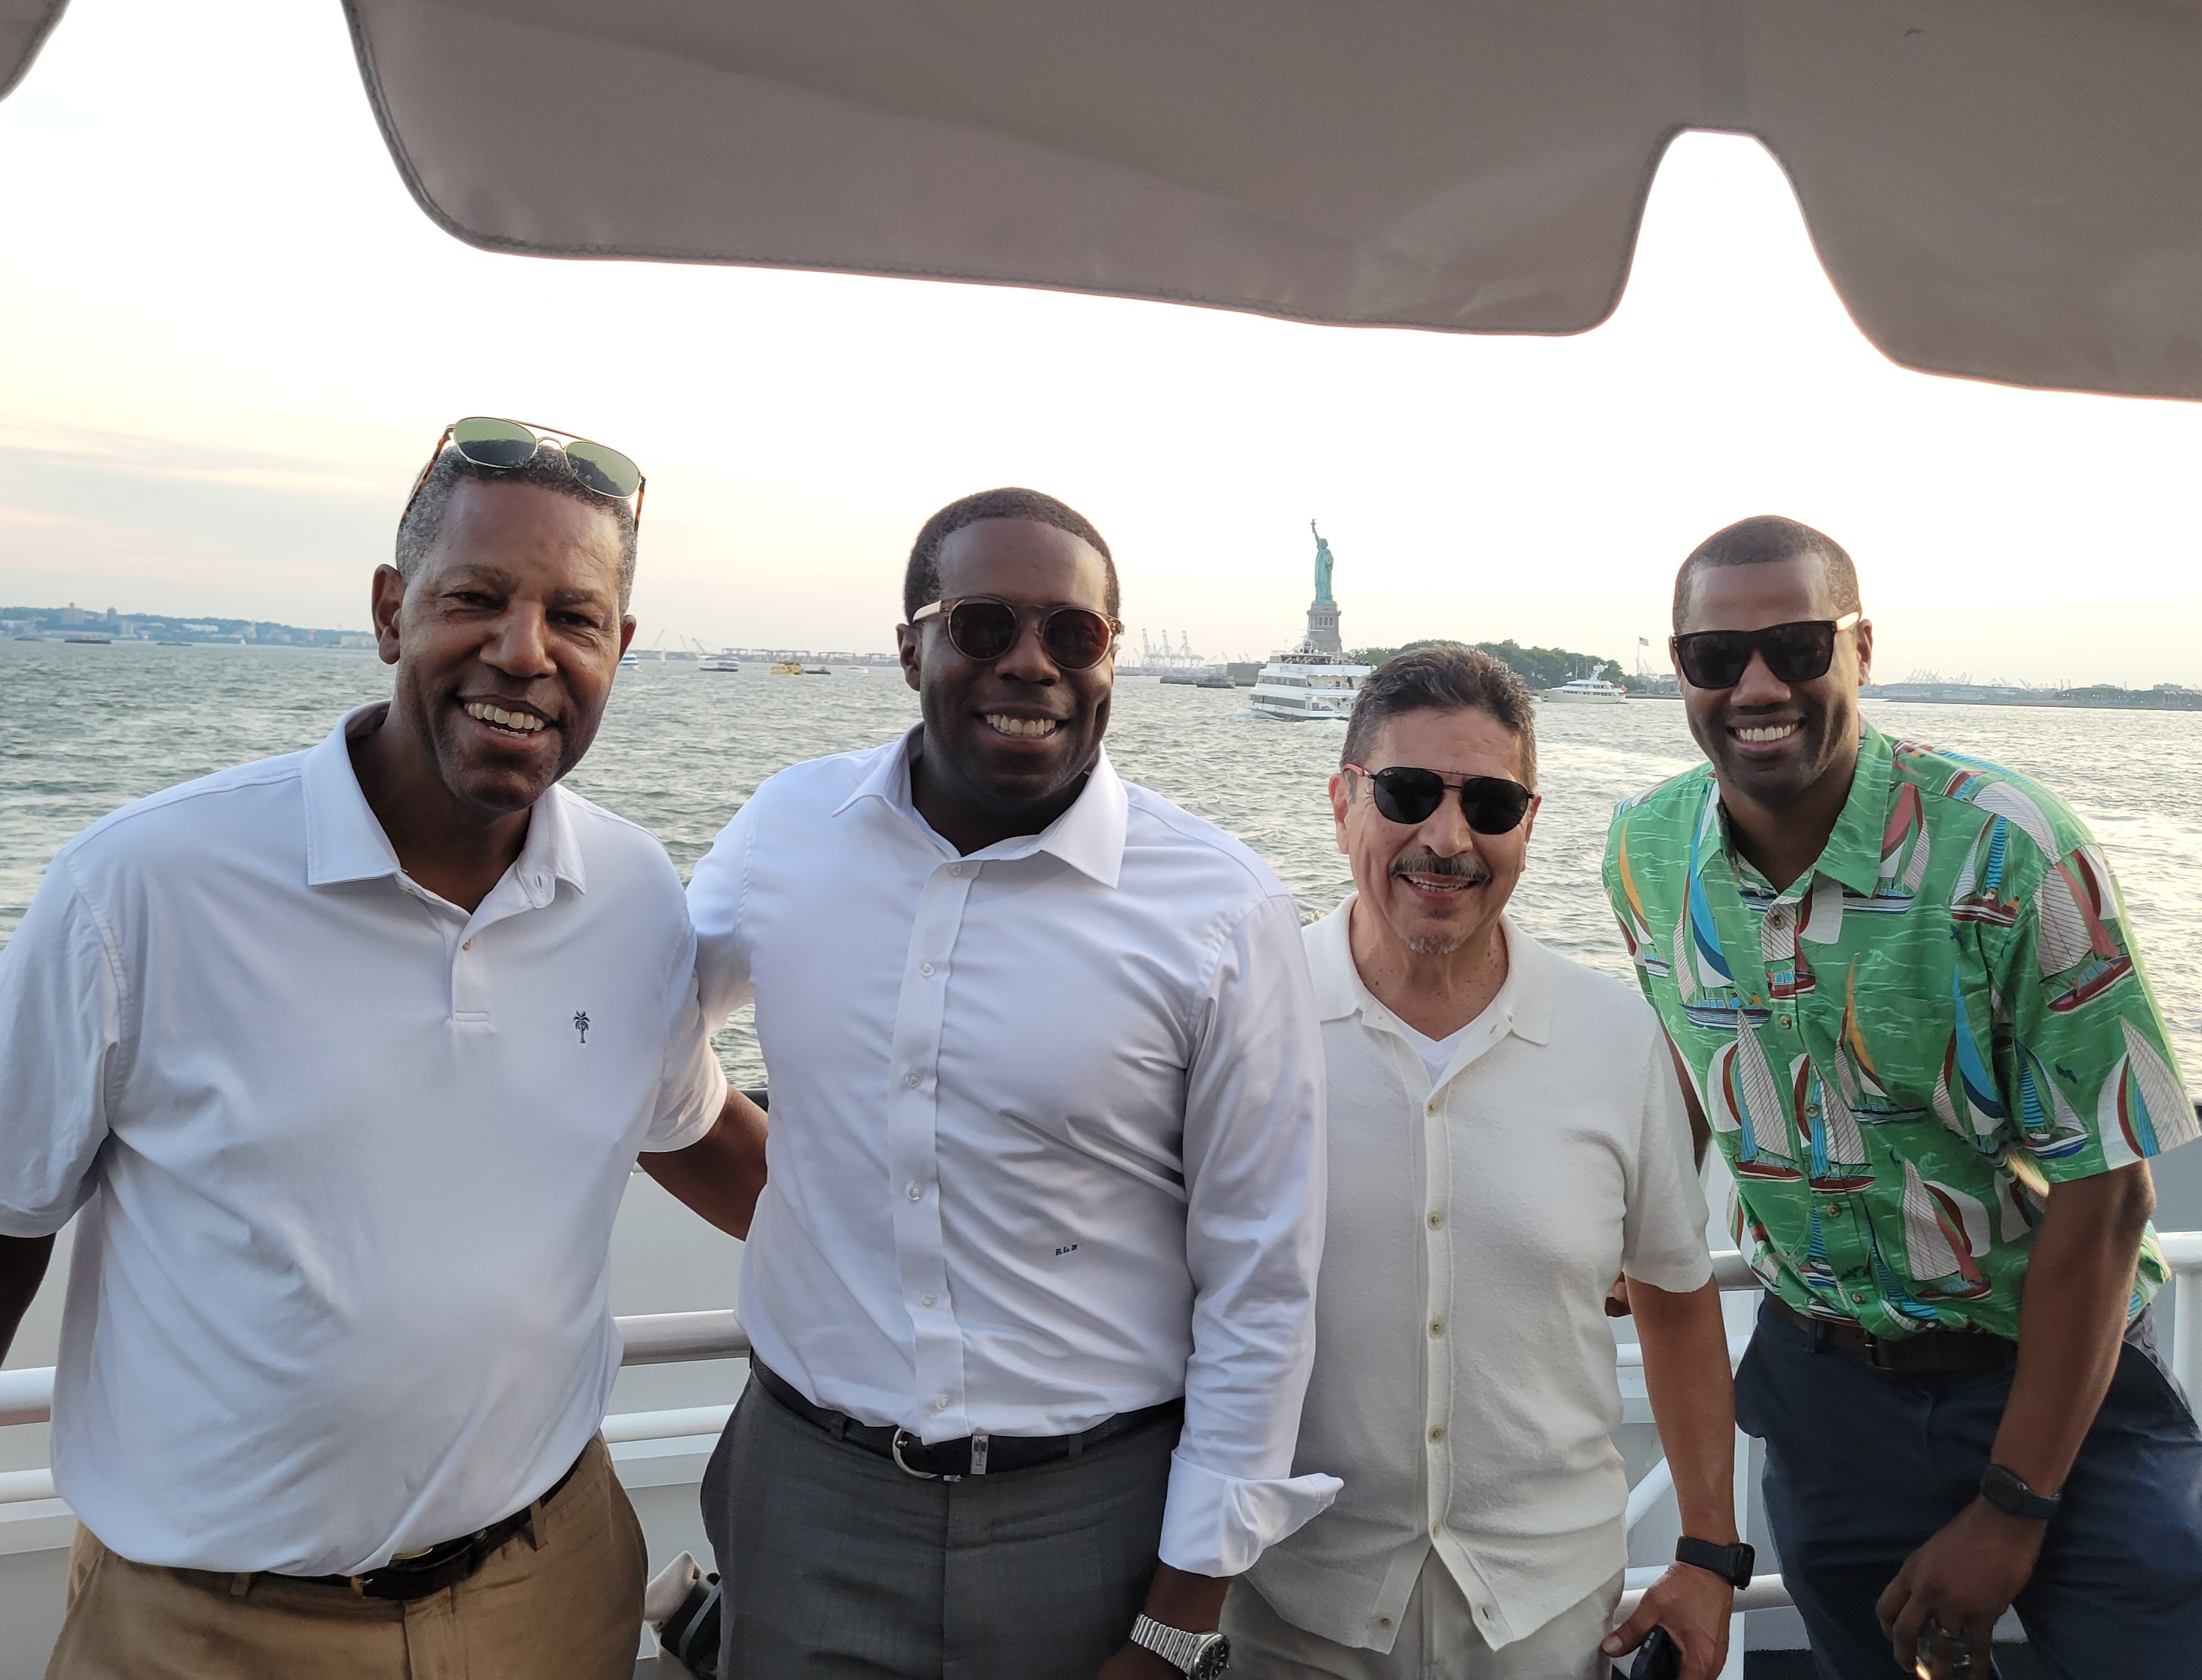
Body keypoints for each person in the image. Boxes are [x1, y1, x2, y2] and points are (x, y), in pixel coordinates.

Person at [0, 417, 764, 1679]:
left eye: (574, 617)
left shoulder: (632, 892)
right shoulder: (142, 886)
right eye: (476, 598)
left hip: (550, 1586)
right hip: (209, 1625)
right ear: (389, 610)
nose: (523, 651)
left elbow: (690, 1129)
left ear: (618, 650)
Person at [676, 486, 1336, 1680]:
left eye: (1072, 633)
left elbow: (1261, 1278)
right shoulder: (788, 830)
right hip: (810, 1494)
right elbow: (631, 1041)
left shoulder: (1220, 906)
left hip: (1094, 1512)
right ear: (910, 649)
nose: (1030, 663)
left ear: (1109, 658)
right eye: (983, 625)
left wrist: (1178, 1616)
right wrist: (787, 1207)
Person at [1604, 514, 2202, 1679]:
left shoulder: (2008, 850)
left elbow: (2109, 1196)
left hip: (2053, 1378)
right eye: (1716, 656)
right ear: (1677, 668)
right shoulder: (1643, 849)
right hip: (1825, 1398)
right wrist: (1634, 1221)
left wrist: (2012, 1504)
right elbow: (1686, 1047)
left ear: (1860, 649)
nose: (1756, 685)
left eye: (1795, 646)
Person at [1222, 647, 1744, 1680]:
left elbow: (1677, 1302)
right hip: (1290, 1605)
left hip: (1548, 1616)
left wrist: (1708, 1554)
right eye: (1407, 793)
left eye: (1491, 803)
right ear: (1341, 801)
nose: (1448, 838)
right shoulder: (1240, 1018)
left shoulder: (1613, 1037)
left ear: (1529, 824)